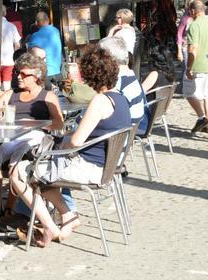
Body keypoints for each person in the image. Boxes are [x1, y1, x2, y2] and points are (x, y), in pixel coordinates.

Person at [9, 44, 130, 247]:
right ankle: (68, 216)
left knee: (19, 173)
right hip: (109, 165)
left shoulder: (99, 101)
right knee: (43, 169)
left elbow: (76, 141)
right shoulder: (120, 99)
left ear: (90, 75)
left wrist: (63, 141)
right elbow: (93, 132)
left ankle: (51, 226)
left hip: (91, 168)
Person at [0, 51, 64, 165]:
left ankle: (12, 176)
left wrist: (32, 123)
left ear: (37, 77)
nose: (19, 77)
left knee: (18, 158)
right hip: (10, 135)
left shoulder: (48, 96)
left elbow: (59, 123)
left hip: (34, 137)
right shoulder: (11, 93)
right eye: (17, 72)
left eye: (24, 74)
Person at [185, 0, 208, 134]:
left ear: (193, 11)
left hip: (198, 65)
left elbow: (192, 49)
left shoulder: (194, 26)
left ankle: (202, 117)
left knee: (189, 93)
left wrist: (189, 67)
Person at [100, 34, 148, 133]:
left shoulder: (118, 81)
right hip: (136, 124)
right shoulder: (129, 74)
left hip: (125, 132)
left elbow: (102, 104)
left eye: (100, 57)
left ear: (108, 58)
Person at [27, 11, 63, 83]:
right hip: (57, 71)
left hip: (44, 73)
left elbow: (30, 52)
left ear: (36, 23)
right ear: (48, 20)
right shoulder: (56, 31)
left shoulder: (35, 36)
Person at [0, 5, 22, 90]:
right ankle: (5, 101)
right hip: (9, 60)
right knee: (7, 85)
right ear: (5, 13)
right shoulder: (11, 26)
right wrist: (16, 57)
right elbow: (17, 45)